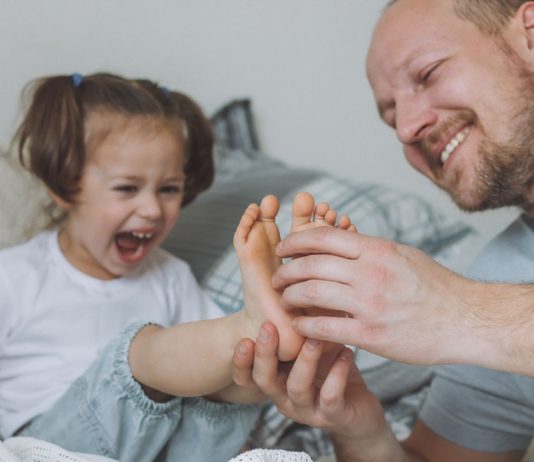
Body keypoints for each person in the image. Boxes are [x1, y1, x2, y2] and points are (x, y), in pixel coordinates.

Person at [233, 0, 534, 460]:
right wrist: (360, 428)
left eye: (428, 73)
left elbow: (467, 313)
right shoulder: (501, 272)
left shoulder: (477, 304)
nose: (408, 129)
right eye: (391, 117)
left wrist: (457, 310)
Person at [0, 72, 354, 461]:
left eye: (168, 189)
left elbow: (216, 389)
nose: (153, 210)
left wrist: (262, 367)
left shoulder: (170, 275)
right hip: (52, 446)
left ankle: (276, 336)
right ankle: (255, 326)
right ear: (65, 186)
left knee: (231, 383)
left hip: (163, 452)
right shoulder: (14, 276)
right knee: (142, 353)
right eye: (127, 188)